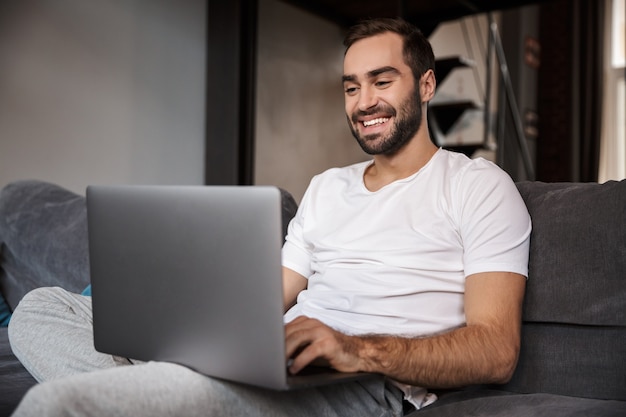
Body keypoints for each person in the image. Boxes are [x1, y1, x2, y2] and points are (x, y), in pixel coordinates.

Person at [8, 17, 531, 416]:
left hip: (365, 384)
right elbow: (266, 299)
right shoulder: (327, 187)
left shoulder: (478, 186)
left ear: (425, 85)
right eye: (351, 87)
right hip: (276, 362)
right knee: (40, 310)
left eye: (381, 81)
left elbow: (495, 349)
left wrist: (355, 350)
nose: (363, 101)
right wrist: (187, 323)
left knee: (58, 405)